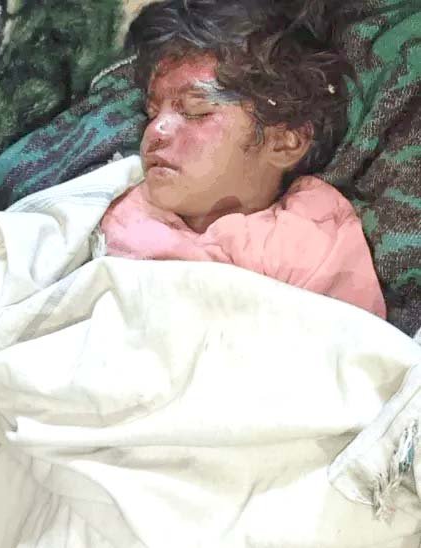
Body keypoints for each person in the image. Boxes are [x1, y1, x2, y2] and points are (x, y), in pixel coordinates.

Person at [99, 0, 386, 318]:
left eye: (195, 111)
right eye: (152, 113)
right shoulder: (112, 203)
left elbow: (349, 340)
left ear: (285, 141)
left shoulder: (309, 238)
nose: (156, 130)